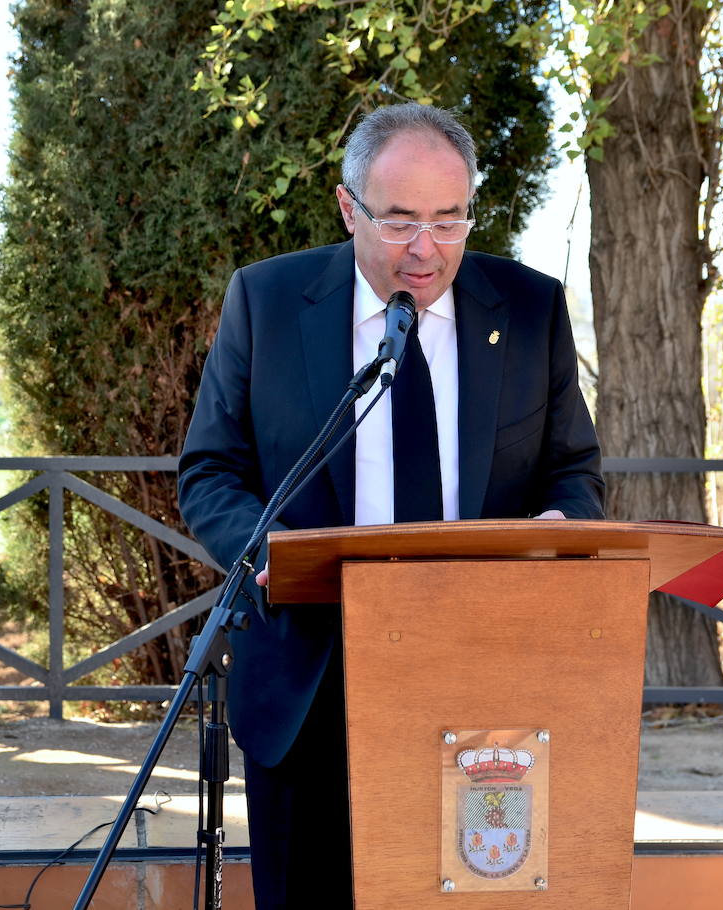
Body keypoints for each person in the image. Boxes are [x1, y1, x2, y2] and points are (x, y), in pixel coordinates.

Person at [177, 103, 604, 908]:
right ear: (349, 207)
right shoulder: (268, 301)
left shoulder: (530, 310)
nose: (426, 249)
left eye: (450, 221)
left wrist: (562, 527)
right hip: (311, 676)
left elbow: (572, 470)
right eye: (401, 221)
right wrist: (268, 553)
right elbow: (209, 470)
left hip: (484, 687)